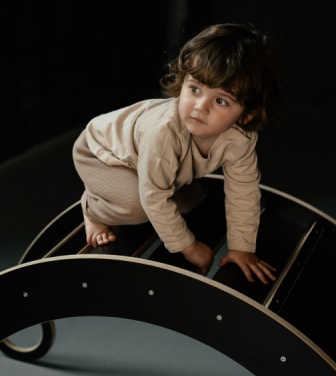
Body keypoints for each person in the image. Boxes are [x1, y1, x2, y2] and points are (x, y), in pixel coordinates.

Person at [72, 21, 285, 284]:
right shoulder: (163, 132)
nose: (200, 107)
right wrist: (189, 247)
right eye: (195, 89)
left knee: (189, 200)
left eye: (221, 101)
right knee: (136, 207)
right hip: (101, 152)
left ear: (247, 115)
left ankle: (122, 192)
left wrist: (242, 248)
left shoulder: (240, 138)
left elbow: (244, 190)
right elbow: (153, 197)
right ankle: (93, 209)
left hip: (146, 162)